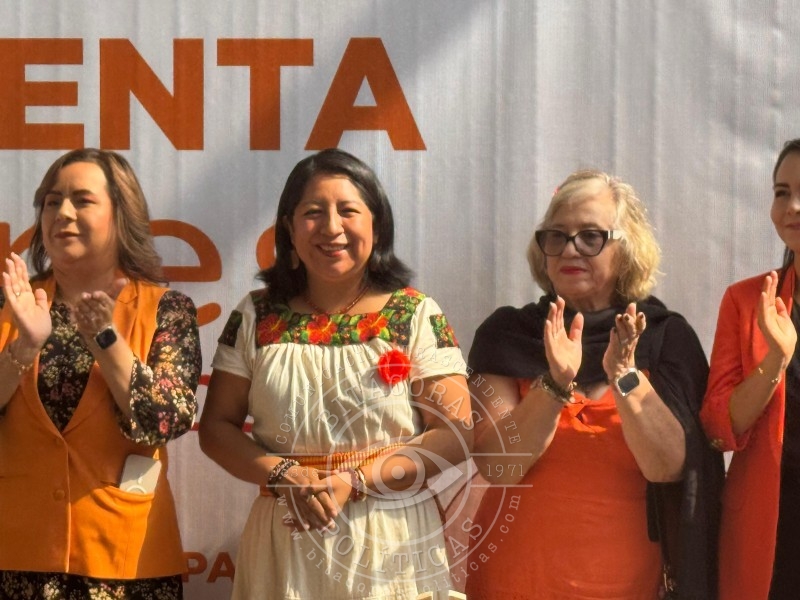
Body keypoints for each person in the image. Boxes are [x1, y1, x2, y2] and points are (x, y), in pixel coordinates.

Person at [198, 148, 473, 599]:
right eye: (312, 212)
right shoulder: (257, 314)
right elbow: (216, 428)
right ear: (288, 229)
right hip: (286, 537)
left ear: (376, 225)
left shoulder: (414, 313)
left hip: (390, 541)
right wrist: (282, 473)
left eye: (348, 211)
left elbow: (455, 433)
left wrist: (356, 480)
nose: (331, 227)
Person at [464, 170, 723, 599]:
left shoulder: (662, 336)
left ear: (627, 250)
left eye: (590, 236)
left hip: (627, 586)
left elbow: (668, 467)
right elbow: (499, 466)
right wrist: (554, 384)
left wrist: (624, 375)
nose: (570, 249)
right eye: (557, 236)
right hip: (514, 581)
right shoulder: (508, 334)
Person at [0, 148, 201, 599]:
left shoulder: (165, 309)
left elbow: (166, 420)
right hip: (17, 557)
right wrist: (23, 347)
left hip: (126, 563)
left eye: (82, 200)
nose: (63, 213)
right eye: (52, 201)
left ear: (121, 214)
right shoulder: (10, 304)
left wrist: (105, 339)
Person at [701, 138, 800, 600]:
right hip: (769, 533)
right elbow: (718, 429)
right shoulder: (746, 301)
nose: (792, 205)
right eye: (782, 192)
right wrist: (774, 361)